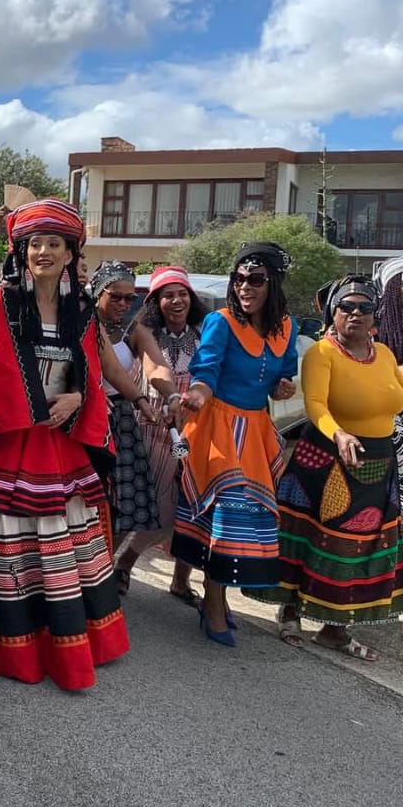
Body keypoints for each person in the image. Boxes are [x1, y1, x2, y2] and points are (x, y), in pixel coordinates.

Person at [0, 199, 129, 691]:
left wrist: (77, 396)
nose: (44, 252)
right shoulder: (3, 304)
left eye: (54, 244)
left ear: (71, 253)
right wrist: (33, 404)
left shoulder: (82, 311)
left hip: (61, 441)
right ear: (22, 252)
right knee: (8, 534)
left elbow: (91, 367)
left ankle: (66, 642)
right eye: (35, 244)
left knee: (60, 540)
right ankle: (11, 642)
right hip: (12, 438)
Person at [247, 277, 403, 657]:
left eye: (365, 307)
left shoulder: (383, 355)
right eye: (347, 306)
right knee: (310, 539)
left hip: (376, 465)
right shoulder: (323, 352)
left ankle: (335, 629)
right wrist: (340, 434)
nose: (356, 314)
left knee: (359, 547)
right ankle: (290, 612)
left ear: (375, 315)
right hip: (327, 460)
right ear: (333, 312)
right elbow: (315, 404)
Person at [173, 242, 298, 646]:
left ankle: (216, 595)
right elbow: (206, 370)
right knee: (227, 517)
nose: (245, 286)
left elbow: (282, 376)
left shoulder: (287, 327)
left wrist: (281, 388)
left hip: (255, 432)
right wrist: (197, 393)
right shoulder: (221, 321)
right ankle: (213, 601)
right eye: (239, 279)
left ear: (273, 283)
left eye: (256, 279)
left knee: (240, 520)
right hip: (218, 427)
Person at [111, 267, 207, 606]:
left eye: (182, 294)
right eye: (168, 295)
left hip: (194, 429)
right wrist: (168, 397)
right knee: (139, 502)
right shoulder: (142, 332)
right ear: (155, 301)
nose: (176, 301)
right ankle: (114, 567)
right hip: (150, 424)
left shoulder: (205, 333)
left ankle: (173, 579)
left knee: (187, 505)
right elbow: (152, 371)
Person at [91, 261, 174, 591]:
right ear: (98, 293)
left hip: (120, 416)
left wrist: (171, 394)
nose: (124, 304)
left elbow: (156, 366)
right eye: (116, 296)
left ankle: (103, 567)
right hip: (81, 414)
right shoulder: (79, 321)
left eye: (130, 298)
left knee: (127, 498)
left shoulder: (133, 330)